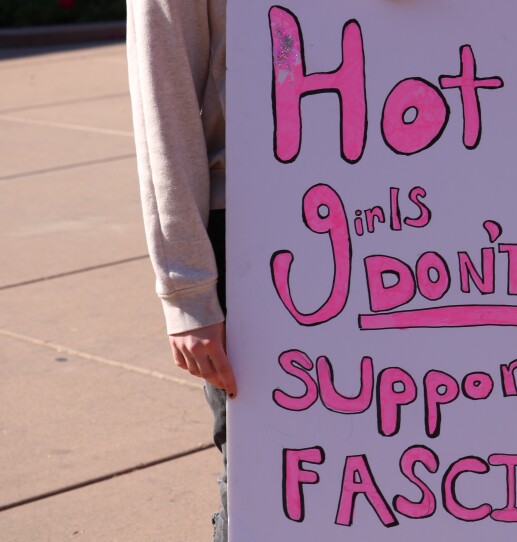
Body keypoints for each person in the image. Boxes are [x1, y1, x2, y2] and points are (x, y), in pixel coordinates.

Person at [125, 1, 233, 540]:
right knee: (274, 476)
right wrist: (188, 294)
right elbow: (163, 100)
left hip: (412, 222)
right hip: (249, 238)